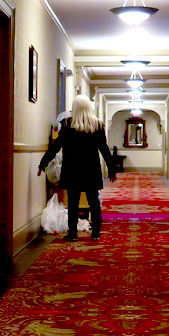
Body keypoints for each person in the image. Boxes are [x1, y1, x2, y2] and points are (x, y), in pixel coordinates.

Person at [38, 94, 117, 241]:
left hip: (72, 168)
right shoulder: (97, 125)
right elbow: (104, 149)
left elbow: (55, 146)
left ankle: (73, 233)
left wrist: (43, 163)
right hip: (91, 169)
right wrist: (112, 169)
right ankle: (96, 233)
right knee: (94, 201)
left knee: (73, 202)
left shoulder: (67, 124)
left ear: (74, 108)